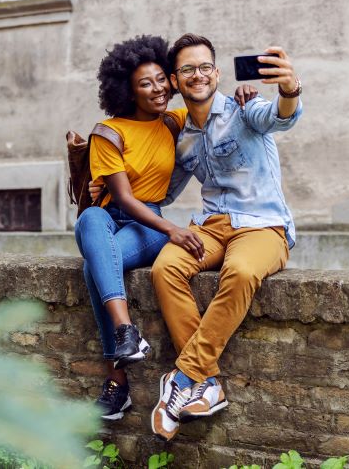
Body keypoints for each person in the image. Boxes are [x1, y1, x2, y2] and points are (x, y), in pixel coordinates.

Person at [75, 35, 258, 421]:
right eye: (146, 83)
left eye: (162, 79)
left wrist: (244, 94)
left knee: (96, 265)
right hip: (117, 216)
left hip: (150, 224)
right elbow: (123, 199)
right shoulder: (107, 132)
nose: (158, 89)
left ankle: (117, 381)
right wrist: (175, 231)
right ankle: (127, 332)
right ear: (128, 89)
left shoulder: (176, 123)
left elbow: (207, 103)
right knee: (90, 220)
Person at [149, 33, 303, 441]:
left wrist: (289, 87)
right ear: (175, 80)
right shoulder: (180, 136)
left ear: (216, 72)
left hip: (263, 225)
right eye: (187, 70)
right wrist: (107, 185)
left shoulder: (243, 107)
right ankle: (209, 384)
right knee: (166, 268)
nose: (197, 75)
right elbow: (160, 192)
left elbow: (281, 116)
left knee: (240, 271)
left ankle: (184, 379)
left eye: (204, 67)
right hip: (212, 226)